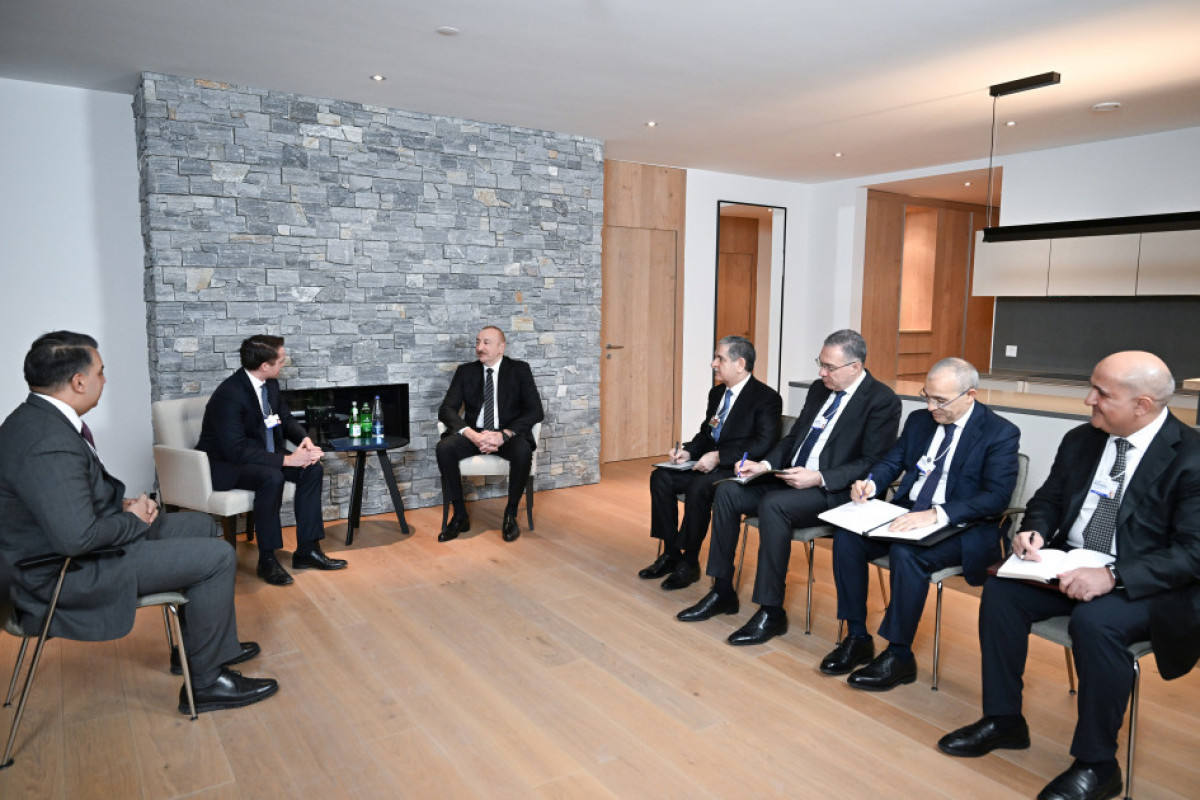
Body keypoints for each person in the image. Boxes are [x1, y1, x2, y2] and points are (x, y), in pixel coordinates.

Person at [938, 351, 1200, 800]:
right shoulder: (1083, 439)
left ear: (1142, 405)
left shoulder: (1191, 456)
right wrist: (1034, 530)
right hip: (1069, 563)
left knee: (1095, 623)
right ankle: (1004, 720)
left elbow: (1192, 553)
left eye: (1101, 393)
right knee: (1001, 593)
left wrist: (1112, 575)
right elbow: (1049, 499)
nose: (1087, 400)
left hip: (1146, 582)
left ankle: (1098, 765)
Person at [0, 331, 277, 714]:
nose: (104, 379)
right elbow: (76, 538)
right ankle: (207, 683)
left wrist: (121, 504)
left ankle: (200, 650)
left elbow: (59, 501)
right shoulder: (47, 441)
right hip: (63, 573)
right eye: (100, 371)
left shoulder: (37, 420)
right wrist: (132, 520)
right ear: (78, 381)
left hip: (69, 553)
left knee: (200, 526)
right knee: (217, 558)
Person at [678, 329, 901, 644]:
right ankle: (722, 590)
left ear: (855, 367)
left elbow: (872, 461)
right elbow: (794, 438)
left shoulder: (882, 401)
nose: (821, 373)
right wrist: (765, 465)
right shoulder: (820, 390)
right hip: (789, 477)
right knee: (727, 490)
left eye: (829, 367)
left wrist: (819, 477)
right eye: (820, 364)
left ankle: (771, 611)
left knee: (774, 505)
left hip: (832, 491)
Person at [820, 358, 1019, 690]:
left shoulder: (999, 432)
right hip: (908, 512)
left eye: (940, 400)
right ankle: (857, 637)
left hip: (961, 525)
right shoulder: (919, 421)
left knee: (906, 554)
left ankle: (899, 654)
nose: (930, 407)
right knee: (847, 537)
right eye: (927, 396)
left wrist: (937, 514)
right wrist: (870, 483)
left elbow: (996, 497)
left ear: (970, 395)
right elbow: (893, 461)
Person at [197, 335, 346, 586]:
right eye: (281, 360)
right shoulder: (229, 394)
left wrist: (305, 441)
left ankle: (308, 550)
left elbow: (285, 419)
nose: (284, 364)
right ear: (264, 365)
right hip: (226, 464)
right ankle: (267, 559)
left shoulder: (270, 385)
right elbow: (236, 450)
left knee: (312, 469)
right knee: (272, 476)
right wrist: (287, 461)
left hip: (260, 454)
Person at [639, 336, 782, 590]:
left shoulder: (766, 398)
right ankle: (671, 553)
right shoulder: (717, 393)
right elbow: (707, 433)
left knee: (700, 486)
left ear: (740, 364)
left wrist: (719, 457)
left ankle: (689, 561)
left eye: (720, 359)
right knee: (661, 477)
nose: (713, 363)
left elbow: (764, 443)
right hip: (707, 463)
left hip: (736, 469)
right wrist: (688, 452)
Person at [437, 326, 544, 542]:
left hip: (506, 434)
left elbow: (535, 411)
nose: (480, 347)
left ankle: (510, 516)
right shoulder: (465, 371)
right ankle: (459, 515)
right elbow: (446, 409)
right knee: (444, 448)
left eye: (486, 342)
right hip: (474, 433)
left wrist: (504, 434)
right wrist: (472, 435)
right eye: (478, 342)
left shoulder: (519, 370)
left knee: (523, 451)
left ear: (501, 347)